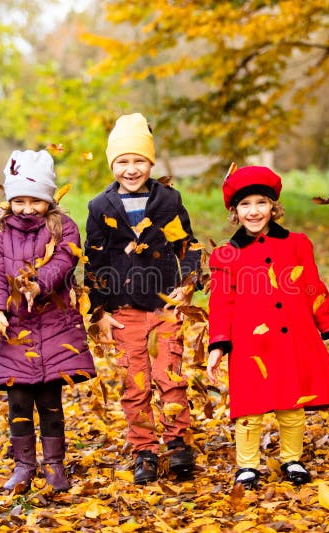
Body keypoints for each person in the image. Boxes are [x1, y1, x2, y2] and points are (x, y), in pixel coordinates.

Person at [206, 165, 329, 490]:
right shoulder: (225, 256)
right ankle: (246, 465)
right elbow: (220, 303)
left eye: (261, 202)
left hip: (292, 338)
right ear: (235, 211)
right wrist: (218, 344)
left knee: (291, 404)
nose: (254, 211)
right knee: (249, 409)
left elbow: (314, 290)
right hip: (249, 344)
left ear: (274, 206)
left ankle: (292, 458)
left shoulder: (297, 245)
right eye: (245, 204)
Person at [83, 113, 202, 484]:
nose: (131, 168)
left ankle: (177, 443)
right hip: (124, 310)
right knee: (135, 383)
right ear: (112, 164)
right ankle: (144, 450)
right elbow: (94, 260)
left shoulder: (168, 200)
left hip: (165, 306)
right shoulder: (100, 208)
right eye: (123, 161)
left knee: (171, 377)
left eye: (139, 160)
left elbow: (188, 244)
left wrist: (189, 282)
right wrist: (99, 311)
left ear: (151, 162)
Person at [0, 149, 96, 493]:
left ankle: (55, 465)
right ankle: (23, 465)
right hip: (14, 329)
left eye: (36, 200)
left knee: (49, 399)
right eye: (20, 201)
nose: (27, 208)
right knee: (17, 400)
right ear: (9, 200)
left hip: (54, 323)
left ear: (48, 199)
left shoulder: (64, 227)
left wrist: (37, 283)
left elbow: (62, 263)